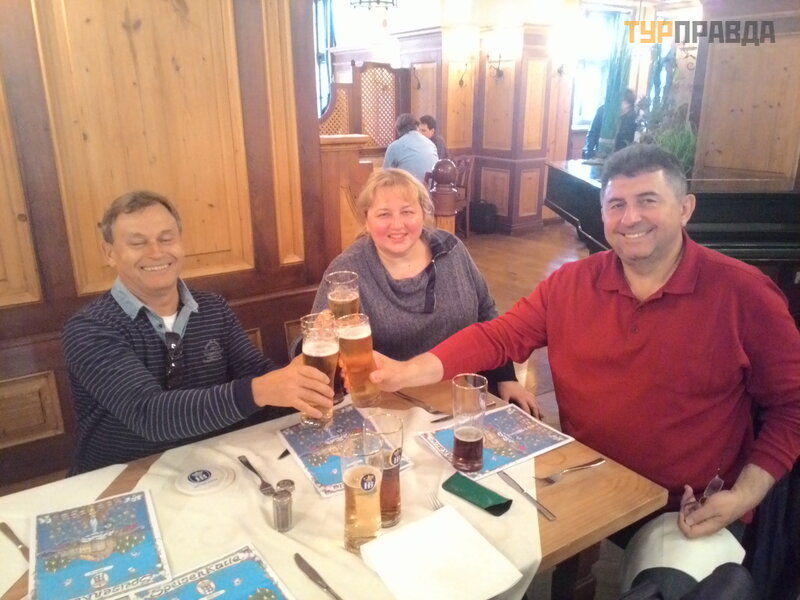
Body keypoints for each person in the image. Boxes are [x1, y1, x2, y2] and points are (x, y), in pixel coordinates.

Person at [369, 145, 800, 598]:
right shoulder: (570, 284)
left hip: (685, 507)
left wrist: (747, 494)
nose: (630, 218)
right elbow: (498, 336)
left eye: (648, 200)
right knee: (451, 551)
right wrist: (405, 371)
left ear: (685, 208)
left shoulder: (745, 295)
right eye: (616, 204)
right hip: (582, 477)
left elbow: (792, 407)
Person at [63, 191, 333, 475]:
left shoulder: (212, 308)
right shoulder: (90, 329)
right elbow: (149, 415)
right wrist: (263, 390)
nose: (156, 252)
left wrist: (308, 376)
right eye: (138, 243)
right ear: (109, 252)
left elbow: (258, 374)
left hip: (212, 467)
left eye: (166, 238)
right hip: (121, 478)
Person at [311, 168, 538, 415]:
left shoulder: (451, 249)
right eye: (384, 214)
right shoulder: (347, 272)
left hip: (463, 394)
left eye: (407, 212)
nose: (397, 225)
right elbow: (315, 345)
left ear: (423, 214)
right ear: (366, 220)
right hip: (387, 405)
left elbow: (486, 313)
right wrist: (322, 338)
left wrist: (506, 378)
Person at [382, 113, 438, 183]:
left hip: (409, 188)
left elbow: (385, 175)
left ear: (398, 130)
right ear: (416, 127)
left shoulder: (395, 146)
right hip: (431, 188)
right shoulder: (431, 144)